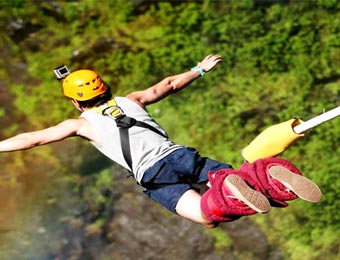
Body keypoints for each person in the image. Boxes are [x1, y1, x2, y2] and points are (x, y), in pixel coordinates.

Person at [0, 54, 322, 228]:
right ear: (106, 88)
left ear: (75, 102)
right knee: (233, 178)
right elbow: (166, 86)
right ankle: (269, 177)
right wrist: (199, 69)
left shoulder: (80, 124)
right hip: (181, 155)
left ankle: (231, 190)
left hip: (155, 176)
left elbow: (33, 139)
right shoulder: (132, 99)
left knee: (206, 215)